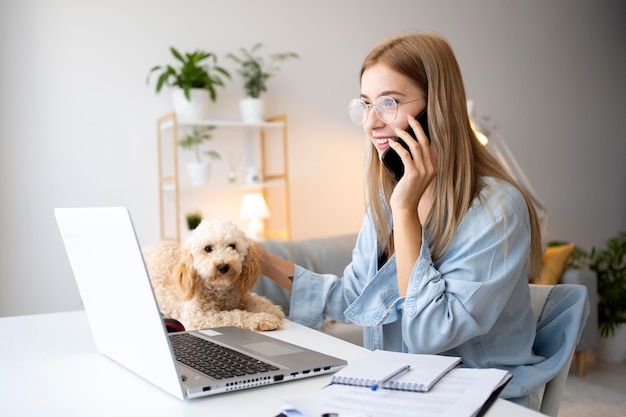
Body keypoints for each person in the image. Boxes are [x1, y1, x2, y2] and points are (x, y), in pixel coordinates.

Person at [258, 31, 546, 407]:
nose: (370, 124)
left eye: (389, 103)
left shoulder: (496, 209)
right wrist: (259, 259)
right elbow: (354, 296)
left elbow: (430, 333)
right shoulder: (387, 196)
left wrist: (406, 213)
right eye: (365, 105)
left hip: (478, 399)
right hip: (402, 387)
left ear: (436, 107)